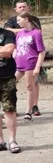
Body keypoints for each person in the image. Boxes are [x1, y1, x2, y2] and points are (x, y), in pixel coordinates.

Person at [14, 14, 45, 120]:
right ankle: (12, 108)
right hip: (19, 64)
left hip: (30, 63)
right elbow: (16, 48)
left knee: (29, 86)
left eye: (19, 20)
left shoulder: (36, 33)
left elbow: (41, 51)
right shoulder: (20, 33)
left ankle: (28, 111)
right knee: (10, 84)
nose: (17, 22)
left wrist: (37, 67)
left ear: (26, 19)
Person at [0, 24, 20, 153]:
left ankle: (12, 140)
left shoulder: (8, 34)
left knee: (9, 109)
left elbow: (8, 51)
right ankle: (0, 141)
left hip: (7, 77)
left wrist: (5, 51)